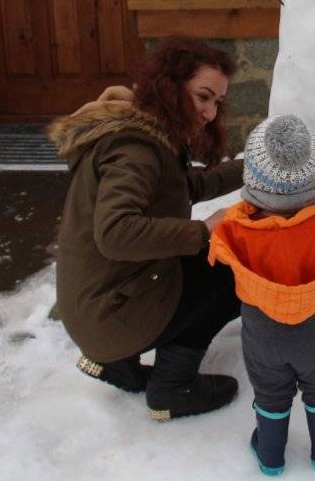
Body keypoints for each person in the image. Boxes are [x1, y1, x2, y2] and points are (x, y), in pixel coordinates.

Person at [48, 39, 245, 421]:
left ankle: (116, 364)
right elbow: (116, 232)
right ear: (170, 87)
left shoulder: (145, 130)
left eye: (217, 102)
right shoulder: (135, 148)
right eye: (203, 96)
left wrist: (252, 169)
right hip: (107, 313)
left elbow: (184, 187)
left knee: (203, 259)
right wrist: (204, 230)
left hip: (97, 302)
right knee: (233, 270)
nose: (208, 112)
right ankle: (174, 389)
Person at [209, 114, 315, 475]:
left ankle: (270, 455)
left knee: (270, 391)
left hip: (260, 331)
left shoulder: (236, 228)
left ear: (252, 177)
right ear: (312, 177)